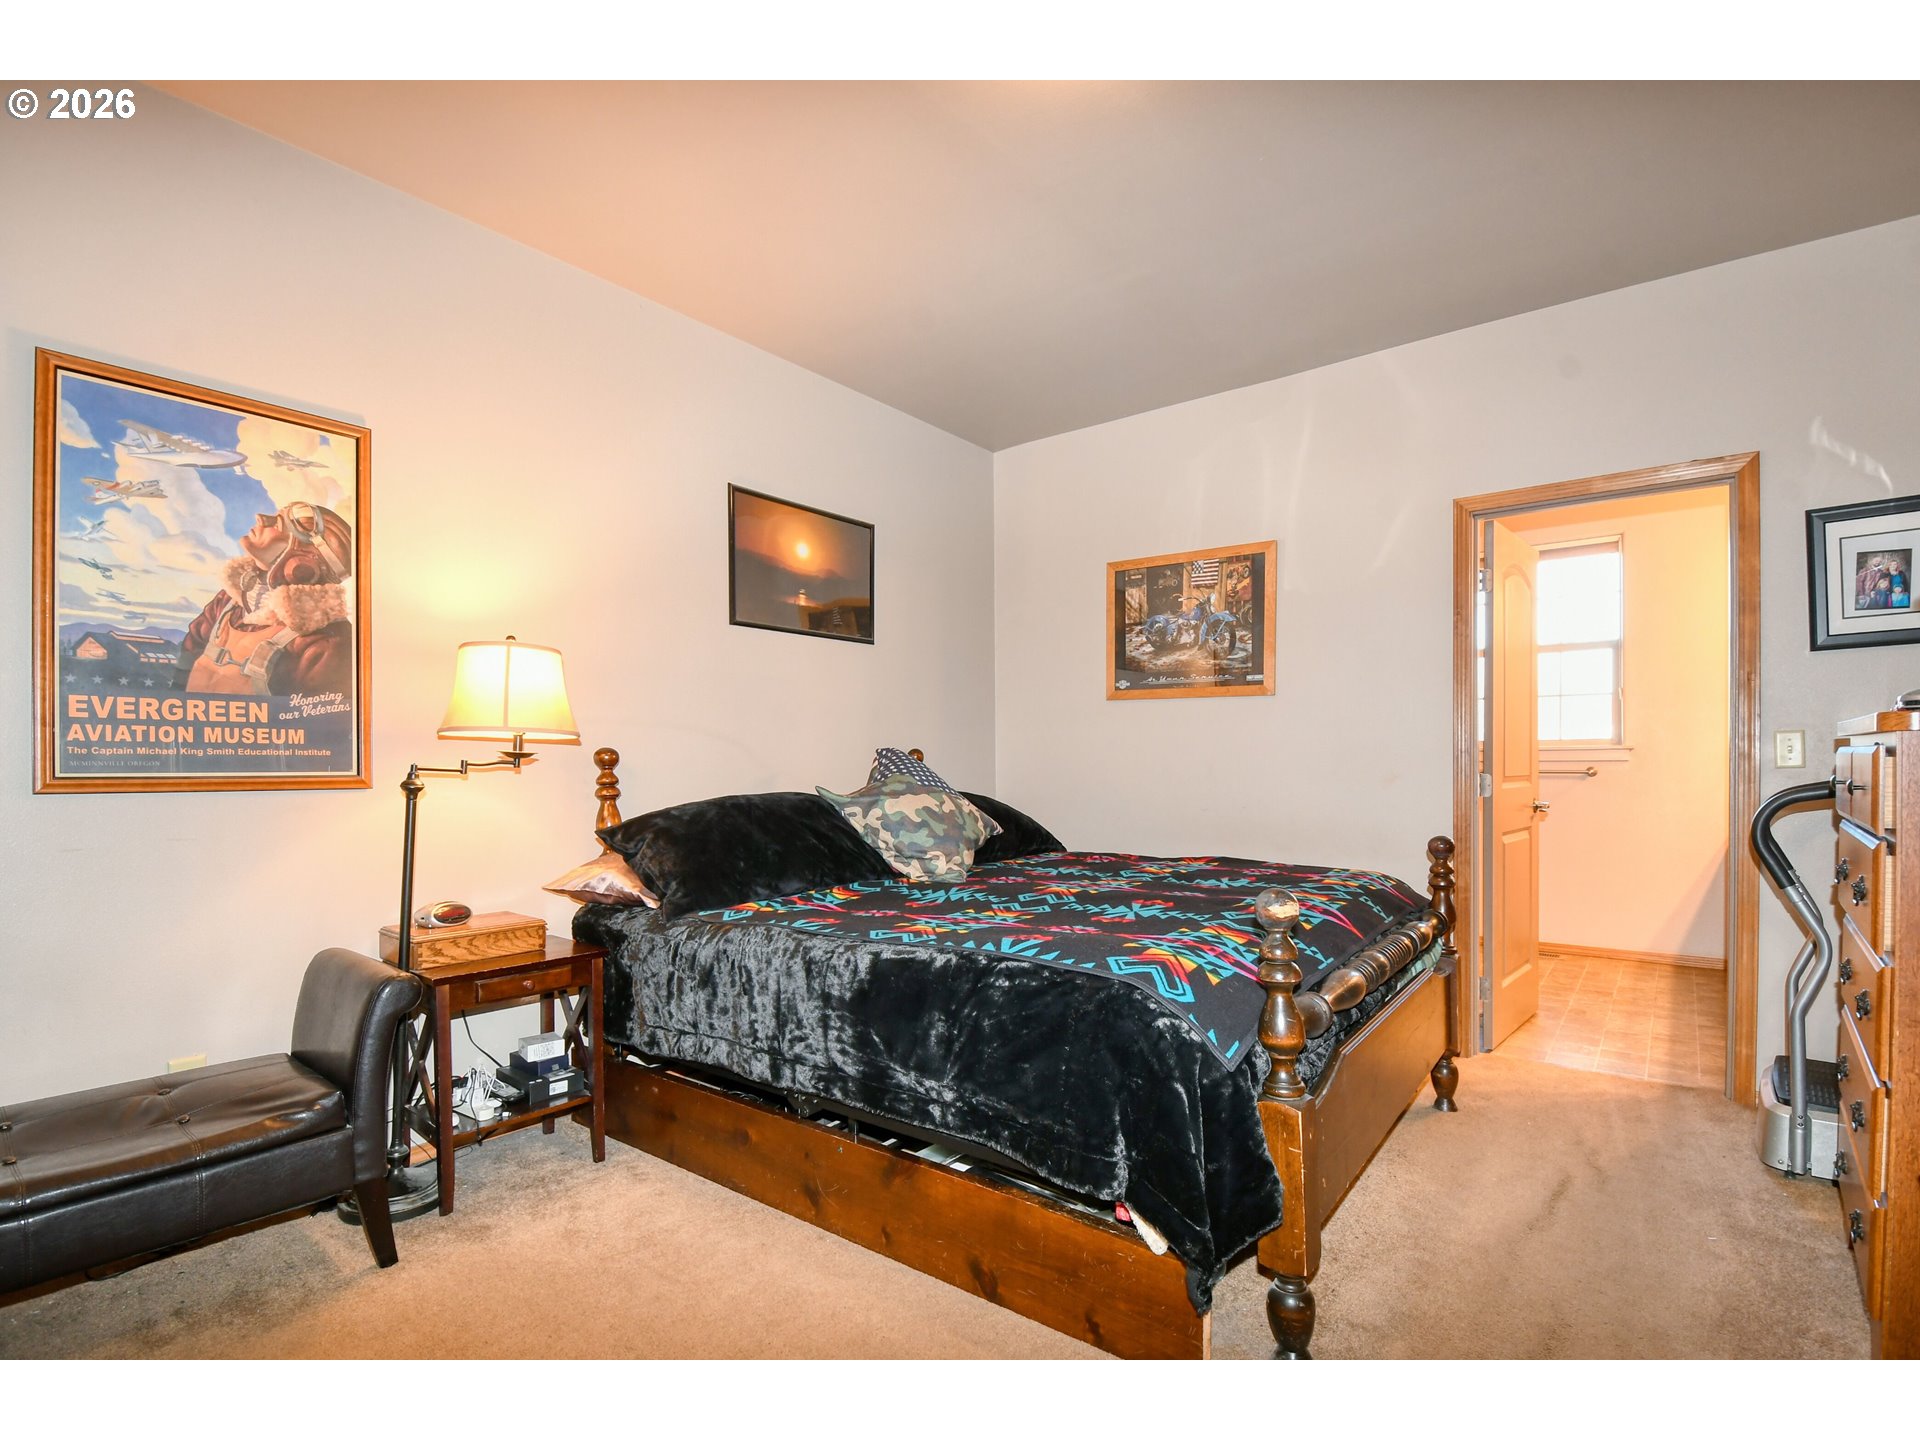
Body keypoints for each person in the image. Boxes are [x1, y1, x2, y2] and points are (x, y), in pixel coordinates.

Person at [175, 501, 355, 695]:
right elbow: (185, 662)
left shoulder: (327, 642)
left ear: (300, 566)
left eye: (278, 523)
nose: (260, 518)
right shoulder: (228, 603)